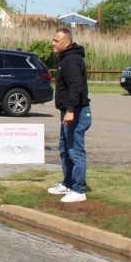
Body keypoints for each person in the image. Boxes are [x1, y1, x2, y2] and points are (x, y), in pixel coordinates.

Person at [48, 27, 92, 203]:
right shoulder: (65, 59)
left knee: (75, 151)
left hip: (76, 112)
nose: (53, 43)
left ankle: (79, 190)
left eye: (56, 41)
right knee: (65, 149)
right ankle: (68, 183)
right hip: (68, 112)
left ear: (67, 43)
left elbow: (76, 86)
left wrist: (71, 111)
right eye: (53, 40)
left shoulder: (72, 60)